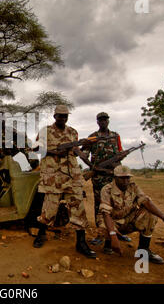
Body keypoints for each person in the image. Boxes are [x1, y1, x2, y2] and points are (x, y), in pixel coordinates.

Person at [32, 104, 96, 258]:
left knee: (78, 207)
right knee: (49, 208)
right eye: (60, 115)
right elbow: (35, 148)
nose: (63, 118)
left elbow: (76, 152)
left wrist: (84, 149)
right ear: (55, 116)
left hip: (71, 176)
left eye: (65, 116)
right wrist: (54, 151)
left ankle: (81, 242)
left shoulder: (73, 132)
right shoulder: (45, 131)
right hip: (53, 176)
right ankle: (41, 234)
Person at [98, 165, 164, 264]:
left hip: (128, 219)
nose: (125, 181)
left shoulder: (133, 186)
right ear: (115, 178)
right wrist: (113, 235)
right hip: (112, 222)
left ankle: (144, 250)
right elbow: (106, 215)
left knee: (150, 215)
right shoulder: (107, 189)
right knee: (104, 228)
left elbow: (146, 202)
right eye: (122, 178)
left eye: (127, 178)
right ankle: (108, 243)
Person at [81, 112, 131, 245]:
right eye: (100, 120)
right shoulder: (92, 137)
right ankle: (101, 234)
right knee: (99, 205)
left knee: (117, 204)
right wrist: (94, 167)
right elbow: (83, 155)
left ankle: (118, 232)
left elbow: (120, 152)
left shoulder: (115, 136)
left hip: (114, 176)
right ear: (97, 122)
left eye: (105, 119)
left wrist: (121, 156)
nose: (103, 122)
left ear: (108, 121)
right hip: (99, 177)